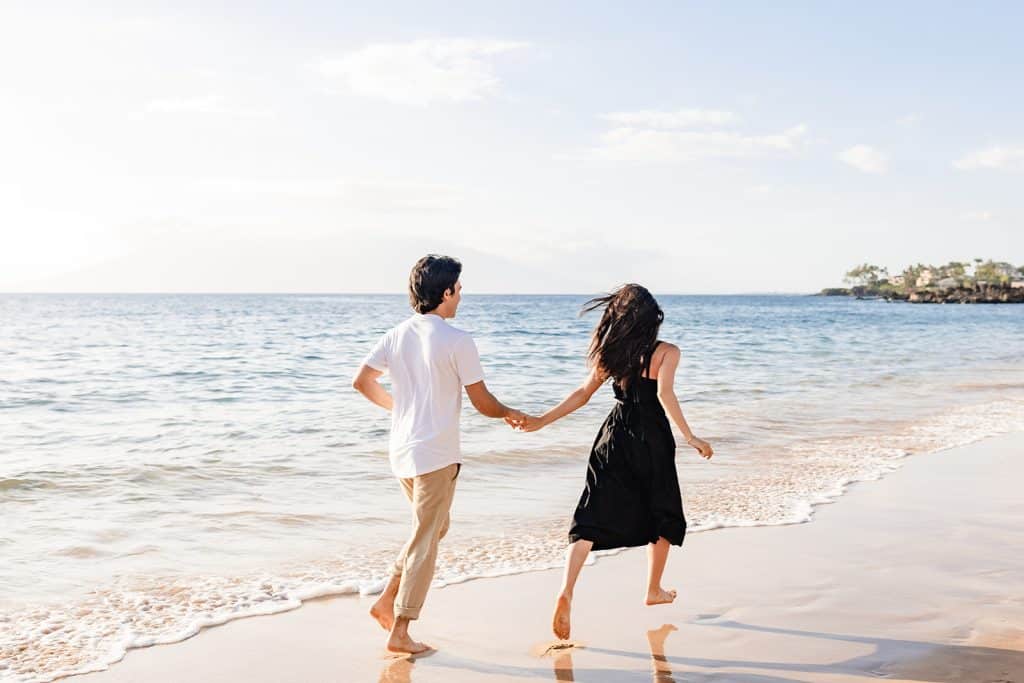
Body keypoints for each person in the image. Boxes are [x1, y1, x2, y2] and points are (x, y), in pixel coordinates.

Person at [515, 284, 713, 641]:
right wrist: (690, 437)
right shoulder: (667, 352)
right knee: (662, 511)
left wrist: (543, 419)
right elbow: (665, 395)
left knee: (590, 514)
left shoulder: (610, 353)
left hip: (614, 435)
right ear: (653, 320)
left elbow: (582, 394)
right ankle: (654, 589)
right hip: (652, 438)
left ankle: (567, 589)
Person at [352, 254, 525, 654]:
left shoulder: (396, 334)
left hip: (402, 451)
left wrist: (401, 410)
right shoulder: (458, 340)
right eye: (459, 289)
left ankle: (384, 602)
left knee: (431, 531)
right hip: (434, 455)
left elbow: (362, 382)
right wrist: (510, 414)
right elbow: (482, 402)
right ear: (445, 292)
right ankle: (400, 629)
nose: (461, 296)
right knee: (425, 541)